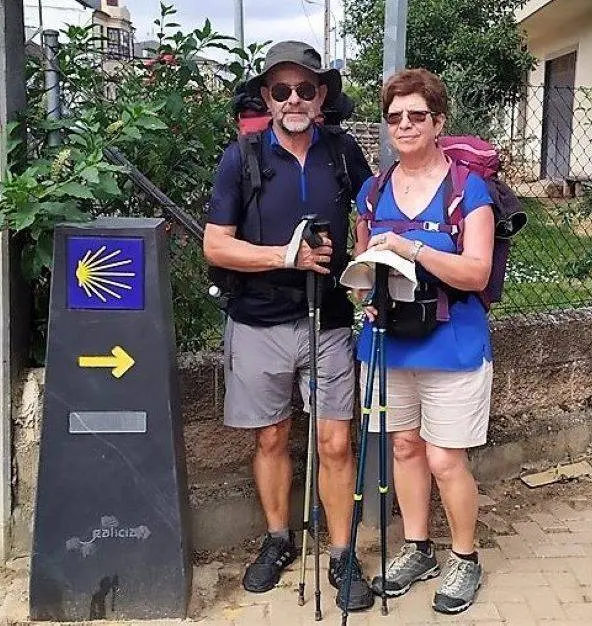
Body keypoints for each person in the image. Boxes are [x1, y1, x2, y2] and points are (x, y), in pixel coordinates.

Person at [202, 41, 376, 612]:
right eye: (282, 90)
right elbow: (216, 246)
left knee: (335, 441)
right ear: (267, 97)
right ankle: (278, 538)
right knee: (271, 436)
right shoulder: (242, 157)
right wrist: (286, 257)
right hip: (258, 321)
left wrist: (365, 273)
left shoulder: (342, 152)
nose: (294, 99)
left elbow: (370, 213)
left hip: (329, 320)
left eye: (305, 88)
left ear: (321, 95)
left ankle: (342, 552)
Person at [351, 68, 495, 615]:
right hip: (389, 340)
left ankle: (465, 556)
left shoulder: (466, 189)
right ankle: (417, 549)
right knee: (405, 447)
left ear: (438, 122)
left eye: (417, 115)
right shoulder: (373, 191)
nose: (405, 125)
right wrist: (363, 291)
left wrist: (412, 249)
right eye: (394, 117)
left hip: (452, 341)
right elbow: (363, 263)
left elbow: (476, 272)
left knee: (444, 458)